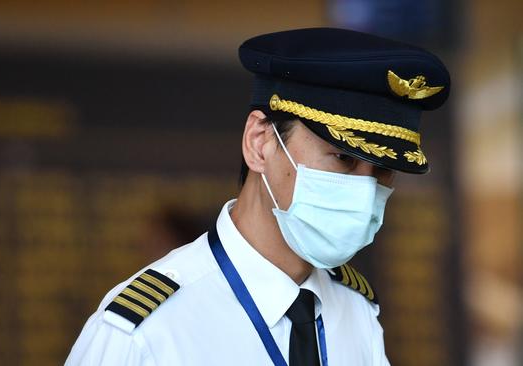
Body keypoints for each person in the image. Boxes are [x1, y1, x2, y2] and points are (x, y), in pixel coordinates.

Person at [65, 27, 450, 366]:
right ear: (260, 141)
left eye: (383, 171)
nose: (365, 192)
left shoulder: (356, 312)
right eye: (344, 158)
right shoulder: (145, 333)